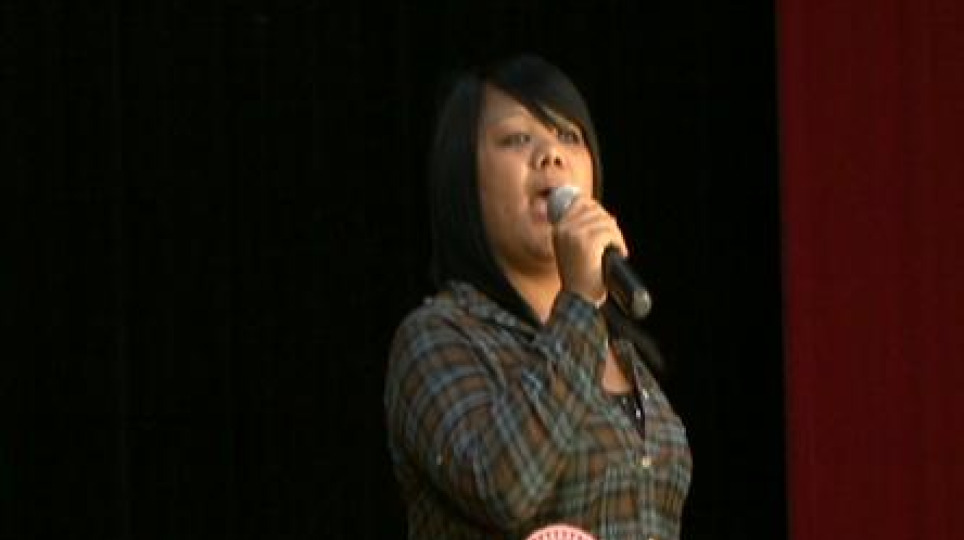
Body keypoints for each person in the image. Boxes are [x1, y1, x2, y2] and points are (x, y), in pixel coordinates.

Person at [384, 54, 691, 539]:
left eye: (569, 136)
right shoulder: (437, 337)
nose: (551, 155)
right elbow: (504, 486)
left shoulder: (618, 350)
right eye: (517, 139)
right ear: (464, 177)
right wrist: (580, 301)